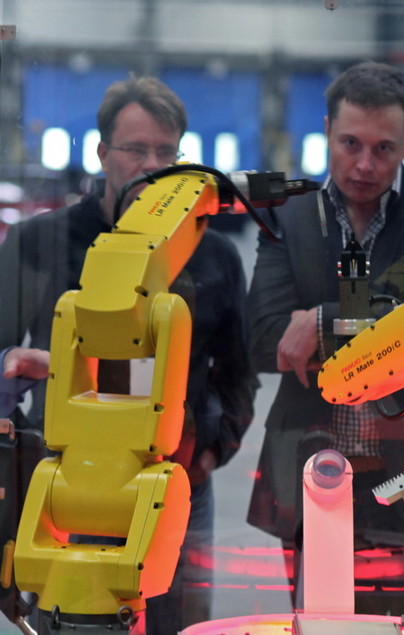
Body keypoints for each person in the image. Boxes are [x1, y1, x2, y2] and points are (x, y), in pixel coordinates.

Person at [0, 76, 257, 633]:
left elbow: (237, 372)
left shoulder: (214, 255)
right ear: (102, 153)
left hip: (176, 483)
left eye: (167, 152)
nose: (153, 165)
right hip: (72, 489)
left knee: (179, 624)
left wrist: (210, 450)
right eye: (137, 149)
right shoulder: (41, 243)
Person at [245, 61, 404, 628]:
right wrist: (391, 324)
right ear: (328, 129)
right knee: (318, 621)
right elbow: (263, 340)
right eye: (350, 143)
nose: (363, 164)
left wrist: (325, 321)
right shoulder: (289, 216)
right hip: (311, 467)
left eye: (384, 148)